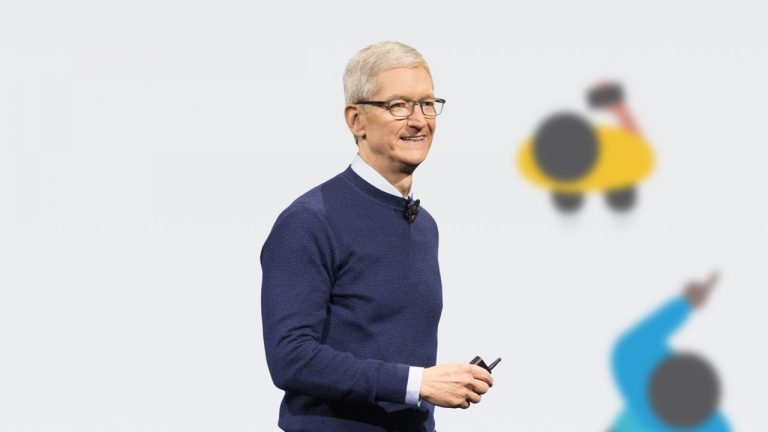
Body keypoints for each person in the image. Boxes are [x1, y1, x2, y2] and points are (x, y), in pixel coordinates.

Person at [260, 41, 494, 432]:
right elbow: (292, 358)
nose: (418, 120)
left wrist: (434, 384)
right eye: (398, 105)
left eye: (427, 104)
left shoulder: (424, 225)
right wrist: (417, 384)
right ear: (356, 120)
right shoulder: (309, 221)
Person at [611, 273, 730, 431]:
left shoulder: (630, 356)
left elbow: (640, 341)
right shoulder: (629, 357)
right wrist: (686, 303)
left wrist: (685, 303)